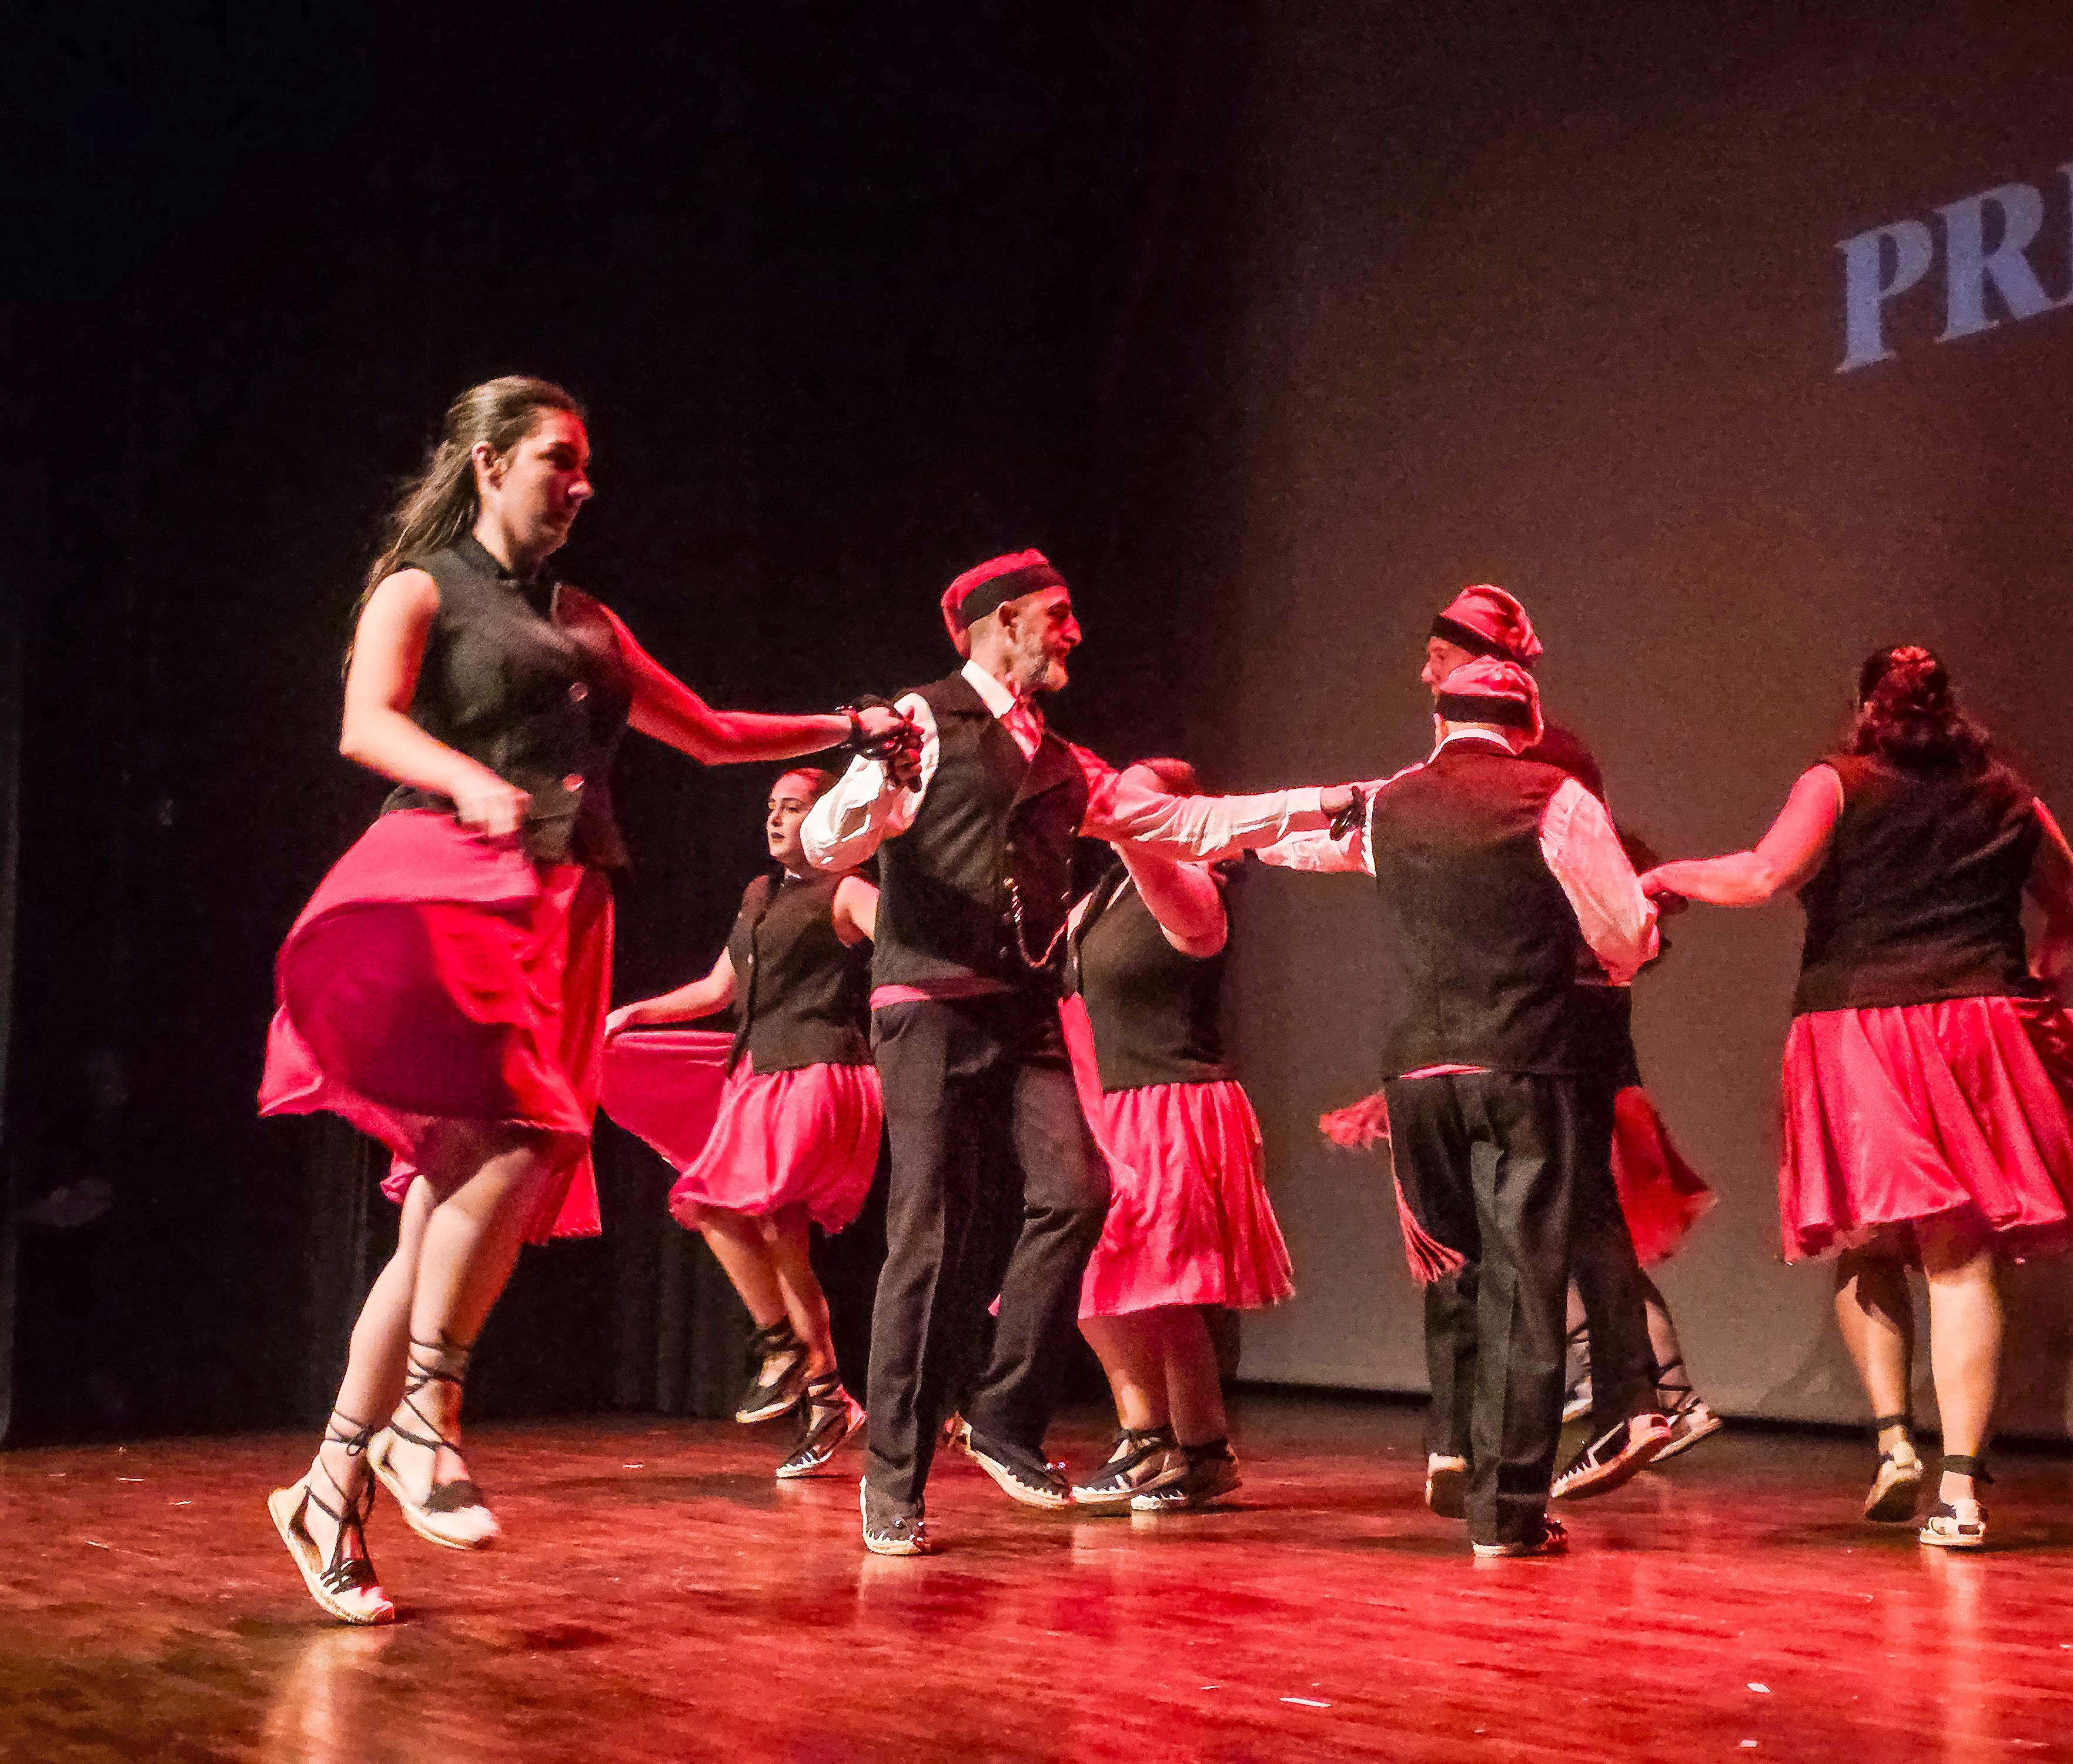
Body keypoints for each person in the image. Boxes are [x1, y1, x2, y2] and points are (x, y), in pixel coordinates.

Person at [258, 377, 904, 1623]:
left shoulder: (592, 622)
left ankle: (328, 1488)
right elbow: (365, 723)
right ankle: (423, 1418)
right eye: (560, 460)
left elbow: (709, 734)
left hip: (567, 903)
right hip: (455, 881)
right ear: (492, 463)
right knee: (518, 1145)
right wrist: (471, 783)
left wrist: (846, 725)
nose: (582, 482)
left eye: (587, 465)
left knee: (461, 1186)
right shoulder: (424, 588)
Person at [802, 548, 1352, 1555]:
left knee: (1081, 1191)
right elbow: (826, 847)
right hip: (927, 1001)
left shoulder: (1065, 761)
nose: (1075, 633)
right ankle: (894, 1479)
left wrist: (1332, 805)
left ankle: (1003, 1419)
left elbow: (1189, 823)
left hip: (1024, 1007)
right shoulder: (922, 722)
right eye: (1058, 615)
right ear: (1003, 623)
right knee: (929, 1238)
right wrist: (873, 769)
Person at [1641, 644, 2073, 1549]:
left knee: (1864, 1238)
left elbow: (1762, 875)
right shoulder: (2007, 793)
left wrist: (1666, 875)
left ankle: (1892, 1446)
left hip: (1858, 1029)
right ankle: (1960, 1495)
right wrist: (2039, 986)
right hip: (1979, 1025)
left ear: (1863, 706)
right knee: (1962, 1259)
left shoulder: (1835, 784)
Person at [1307, 584, 1721, 1524]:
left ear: (1481, 660)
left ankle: (1598, 1414)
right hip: (1520, 1014)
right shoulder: (1512, 764)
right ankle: (1561, 1422)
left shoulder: (1535, 766)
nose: (1425, 673)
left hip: (1545, 1011)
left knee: (1534, 1229)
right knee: (1548, 1217)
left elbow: (1583, 896)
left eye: (1437, 655)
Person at [601, 764, 882, 1479]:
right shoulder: (760, 894)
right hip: (759, 1074)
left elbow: (908, 957)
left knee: (712, 1202)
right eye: (772, 806)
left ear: (828, 820)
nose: (776, 818)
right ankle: (824, 1391)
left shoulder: (849, 890)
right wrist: (636, 1011)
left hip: (820, 1071)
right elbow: (719, 989)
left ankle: (780, 1347)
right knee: (780, 1231)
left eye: (794, 808)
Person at [1058, 760, 1295, 1512]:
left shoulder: (1195, 887)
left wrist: (1130, 819)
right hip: (1108, 1104)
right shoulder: (1103, 895)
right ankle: (1197, 1448)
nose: (1122, 804)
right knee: (1142, 1286)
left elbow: (1156, 856)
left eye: (1142, 797)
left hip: (1170, 1104)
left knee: (1128, 1279)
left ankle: (1152, 1440)